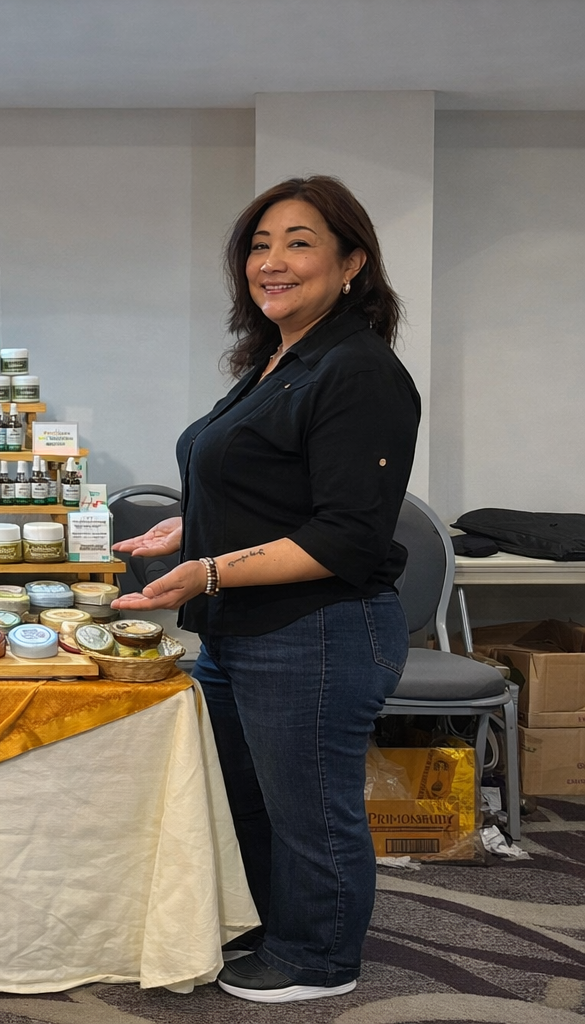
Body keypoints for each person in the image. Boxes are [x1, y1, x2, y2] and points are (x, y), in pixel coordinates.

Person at [112, 176, 420, 1004]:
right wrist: (190, 529)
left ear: (352, 263)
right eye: (259, 245)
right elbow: (272, 490)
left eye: (298, 242)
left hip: (318, 629)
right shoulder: (277, 361)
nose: (272, 261)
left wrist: (209, 569)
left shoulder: (357, 371)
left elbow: (346, 533)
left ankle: (319, 959)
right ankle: (268, 927)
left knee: (310, 809)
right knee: (245, 798)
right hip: (244, 627)